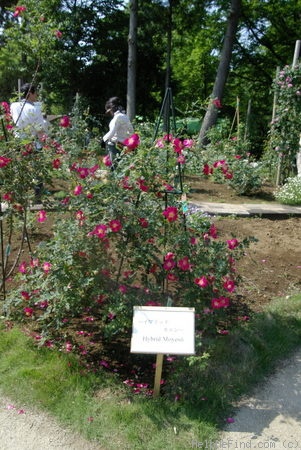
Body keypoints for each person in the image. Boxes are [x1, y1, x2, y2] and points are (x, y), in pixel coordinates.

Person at [10, 83, 49, 201]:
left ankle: (19, 196)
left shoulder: (14, 105)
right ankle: (37, 197)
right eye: (35, 92)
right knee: (38, 170)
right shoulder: (34, 109)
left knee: (20, 169)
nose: (36, 95)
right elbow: (40, 130)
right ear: (29, 94)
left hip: (18, 142)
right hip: (32, 142)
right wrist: (45, 142)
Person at [102, 97, 134, 169]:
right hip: (124, 145)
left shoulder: (117, 118)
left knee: (114, 167)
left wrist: (103, 140)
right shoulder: (125, 117)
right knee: (123, 167)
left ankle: (113, 179)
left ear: (111, 109)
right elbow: (131, 131)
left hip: (115, 144)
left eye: (109, 112)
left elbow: (112, 132)